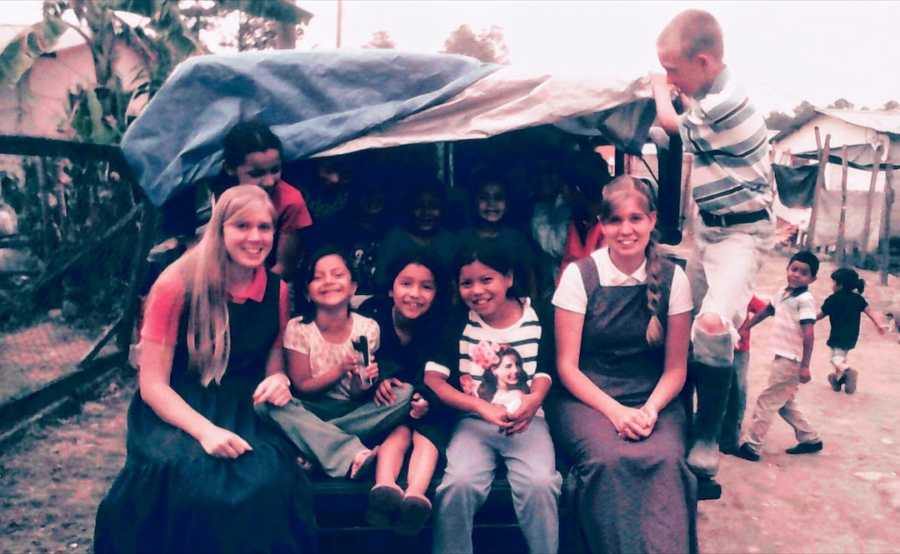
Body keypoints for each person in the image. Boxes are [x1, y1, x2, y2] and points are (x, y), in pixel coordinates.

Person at [94, 185, 316, 554]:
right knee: (195, 480)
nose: (255, 237)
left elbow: (274, 353)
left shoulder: (276, 290)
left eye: (265, 227)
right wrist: (206, 432)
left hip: (243, 403)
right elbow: (152, 384)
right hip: (178, 405)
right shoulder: (176, 283)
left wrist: (278, 377)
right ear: (220, 229)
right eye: (242, 226)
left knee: (266, 479)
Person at [651, 9, 774, 478]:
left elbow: (667, 124)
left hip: (742, 234)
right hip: (709, 227)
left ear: (703, 62)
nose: (670, 79)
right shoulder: (708, 95)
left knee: (715, 325)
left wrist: (662, 93)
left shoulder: (729, 101)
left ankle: (709, 436)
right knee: (682, 319)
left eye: (673, 70)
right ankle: (677, 412)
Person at [548, 175, 696, 554]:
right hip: (588, 398)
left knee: (665, 459)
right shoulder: (579, 276)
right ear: (602, 225)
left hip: (653, 398)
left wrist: (649, 410)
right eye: (615, 220)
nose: (625, 230)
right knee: (608, 460)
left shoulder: (674, 279)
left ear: (651, 220)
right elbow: (567, 366)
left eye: (635, 219)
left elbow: (676, 368)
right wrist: (615, 413)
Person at [425, 239, 561, 554]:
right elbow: (434, 379)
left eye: (487, 279)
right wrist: (478, 406)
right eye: (466, 283)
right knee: (458, 484)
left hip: (528, 422)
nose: (477, 290)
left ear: (508, 279)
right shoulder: (458, 321)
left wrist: (533, 401)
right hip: (474, 424)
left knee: (540, 484)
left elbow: (544, 371)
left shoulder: (537, 314)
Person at [254, 246, 413, 479]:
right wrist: (339, 371)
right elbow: (302, 385)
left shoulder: (367, 328)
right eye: (318, 277)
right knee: (266, 403)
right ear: (307, 292)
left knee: (404, 393)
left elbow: (357, 394)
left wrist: (364, 382)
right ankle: (349, 453)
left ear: (353, 288)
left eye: (338, 275)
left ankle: (314, 445)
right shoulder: (299, 329)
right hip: (309, 408)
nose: (329, 282)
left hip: (351, 410)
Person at [357, 250, 450, 535]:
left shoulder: (442, 324)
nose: (415, 294)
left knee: (426, 434)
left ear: (437, 292)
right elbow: (362, 358)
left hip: (427, 406)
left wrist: (426, 399)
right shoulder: (372, 316)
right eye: (406, 284)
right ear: (390, 287)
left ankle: (415, 496)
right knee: (397, 432)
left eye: (426, 286)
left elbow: (445, 369)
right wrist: (380, 378)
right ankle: (385, 487)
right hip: (387, 406)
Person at [736, 251, 823, 462]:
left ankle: (752, 446)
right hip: (782, 356)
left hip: (791, 359)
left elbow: (809, 334)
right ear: (787, 269)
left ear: (812, 279)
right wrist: (746, 327)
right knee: (783, 402)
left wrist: (805, 366)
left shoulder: (805, 300)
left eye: (804, 273)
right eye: (794, 269)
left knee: (767, 400)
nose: (796, 275)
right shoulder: (783, 293)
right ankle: (810, 438)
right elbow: (766, 311)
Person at [213, 121, 313, 281]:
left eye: (275, 170)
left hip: (268, 282)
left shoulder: (290, 201)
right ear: (230, 169)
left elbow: (284, 267)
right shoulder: (216, 197)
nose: (269, 182)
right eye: (256, 173)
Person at [458, 171, 539, 299]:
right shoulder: (463, 239)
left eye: (498, 198)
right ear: (474, 203)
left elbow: (530, 278)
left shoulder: (516, 239)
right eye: (485, 198)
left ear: (507, 204)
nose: (491, 204)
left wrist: (532, 308)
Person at [374, 179, 457, 292]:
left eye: (433, 206)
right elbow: (381, 282)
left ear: (443, 209)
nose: (426, 212)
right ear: (409, 209)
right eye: (419, 206)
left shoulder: (451, 241)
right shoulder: (394, 239)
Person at [816, 267, 887, 394]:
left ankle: (848, 371)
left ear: (840, 285)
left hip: (837, 335)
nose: (832, 285)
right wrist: (879, 325)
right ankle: (838, 381)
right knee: (841, 358)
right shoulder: (858, 299)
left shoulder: (833, 299)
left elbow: (820, 315)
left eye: (833, 282)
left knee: (835, 359)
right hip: (852, 336)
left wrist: (807, 321)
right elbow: (870, 312)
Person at [719, 294, 768, 455]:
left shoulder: (746, 294)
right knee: (721, 390)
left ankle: (730, 438)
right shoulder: (719, 292)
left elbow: (765, 309)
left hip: (739, 349)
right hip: (719, 347)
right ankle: (718, 434)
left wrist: (747, 326)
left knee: (738, 391)